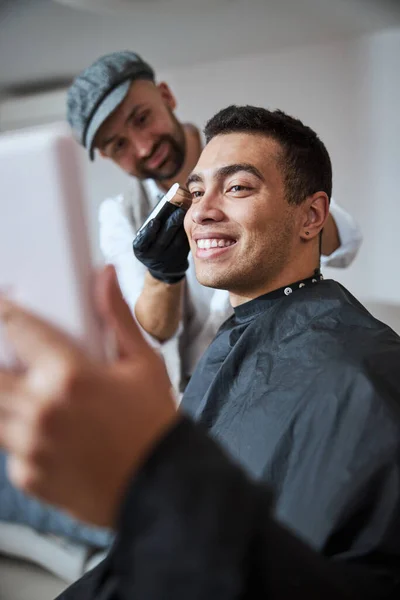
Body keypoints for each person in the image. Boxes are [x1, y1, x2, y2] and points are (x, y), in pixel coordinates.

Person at [0, 266, 382, 599]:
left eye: (237, 188)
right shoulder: (236, 331)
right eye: (195, 193)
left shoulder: (366, 373)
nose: (201, 210)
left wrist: (153, 478)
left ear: (313, 214)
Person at [67, 50, 362, 392]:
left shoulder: (244, 147)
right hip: (203, 391)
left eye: (142, 118)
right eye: (119, 145)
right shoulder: (120, 214)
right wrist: (163, 275)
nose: (144, 147)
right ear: (105, 155)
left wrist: (267, 213)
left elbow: (347, 243)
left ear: (166, 96)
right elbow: (153, 330)